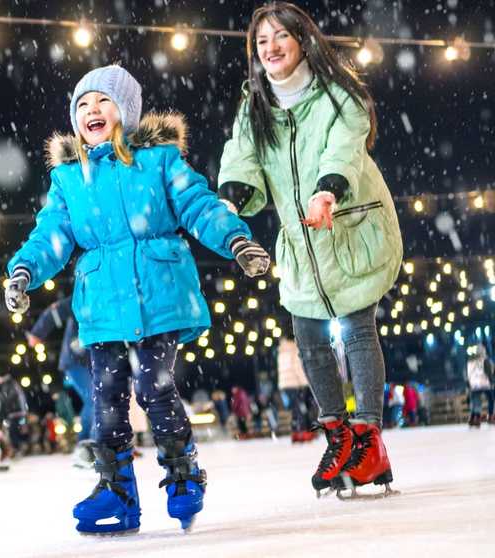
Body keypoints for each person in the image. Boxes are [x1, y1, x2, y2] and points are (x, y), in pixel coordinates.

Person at [4, 64, 270, 535]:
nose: (92, 110)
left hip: (158, 293)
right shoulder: (70, 178)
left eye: (103, 101)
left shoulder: (159, 161)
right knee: (106, 396)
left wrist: (235, 240)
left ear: (124, 111)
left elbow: (199, 205)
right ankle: (117, 489)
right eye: (82, 105)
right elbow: (51, 235)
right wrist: (24, 270)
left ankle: (183, 472)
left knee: (153, 387)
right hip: (103, 301)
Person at [218, 2, 402, 497]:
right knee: (309, 337)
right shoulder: (255, 106)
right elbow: (241, 155)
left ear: (302, 40)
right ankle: (338, 437)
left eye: (280, 37)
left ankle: (368, 438)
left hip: (347, 224)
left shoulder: (336, 93)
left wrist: (328, 189)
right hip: (300, 240)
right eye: (262, 41)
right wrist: (229, 200)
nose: (271, 48)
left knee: (359, 330)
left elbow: (345, 143)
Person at [27, 297, 95, 467]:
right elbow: (56, 310)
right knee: (94, 398)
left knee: (102, 398)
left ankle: (98, 444)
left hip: (94, 359)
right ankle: (85, 446)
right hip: (75, 360)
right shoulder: (86, 295)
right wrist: (37, 332)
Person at [278, 339, 315, 442]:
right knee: (301, 408)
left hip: (285, 384)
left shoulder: (281, 350)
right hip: (295, 383)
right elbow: (297, 367)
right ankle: (304, 431)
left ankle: (295, 431)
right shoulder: (293, 349)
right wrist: (305, 383)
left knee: (295, 409)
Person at [466, 344, 493, 428]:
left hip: (474, 384)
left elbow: (468, 373)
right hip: (484, 383)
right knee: (491, 399)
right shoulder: (485, 360)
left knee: (475, 401)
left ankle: (474, 418)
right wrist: (492, 381)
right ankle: (491, 416)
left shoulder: (470, 361)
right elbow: (489, 372)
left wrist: (469, 384)